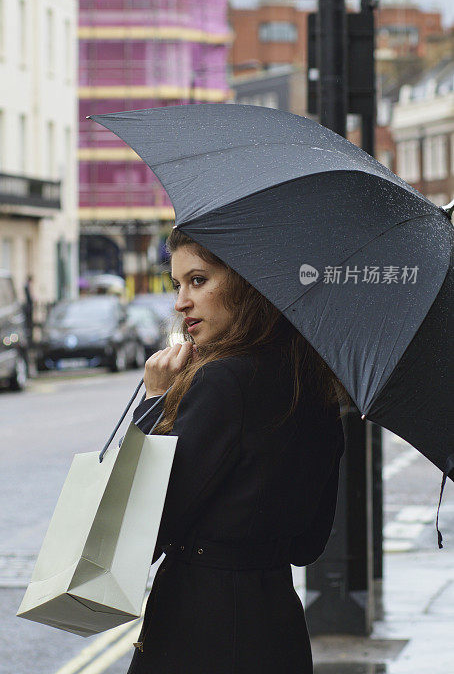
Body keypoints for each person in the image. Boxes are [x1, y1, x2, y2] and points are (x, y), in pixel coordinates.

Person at [127, 227, 347, 674]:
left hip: (198, 631)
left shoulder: (222, 382)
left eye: (198, 280)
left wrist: (154, 403)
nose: (180, 302)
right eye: (177, 284)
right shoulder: (317, 390)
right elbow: (309, 544)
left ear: (248, 283)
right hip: (277, 627)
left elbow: (145, 520)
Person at [23, 275, 34, 347]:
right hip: (28, 308)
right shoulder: (26, 286)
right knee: (28, 325)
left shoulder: (27, 286)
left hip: (29, 308)